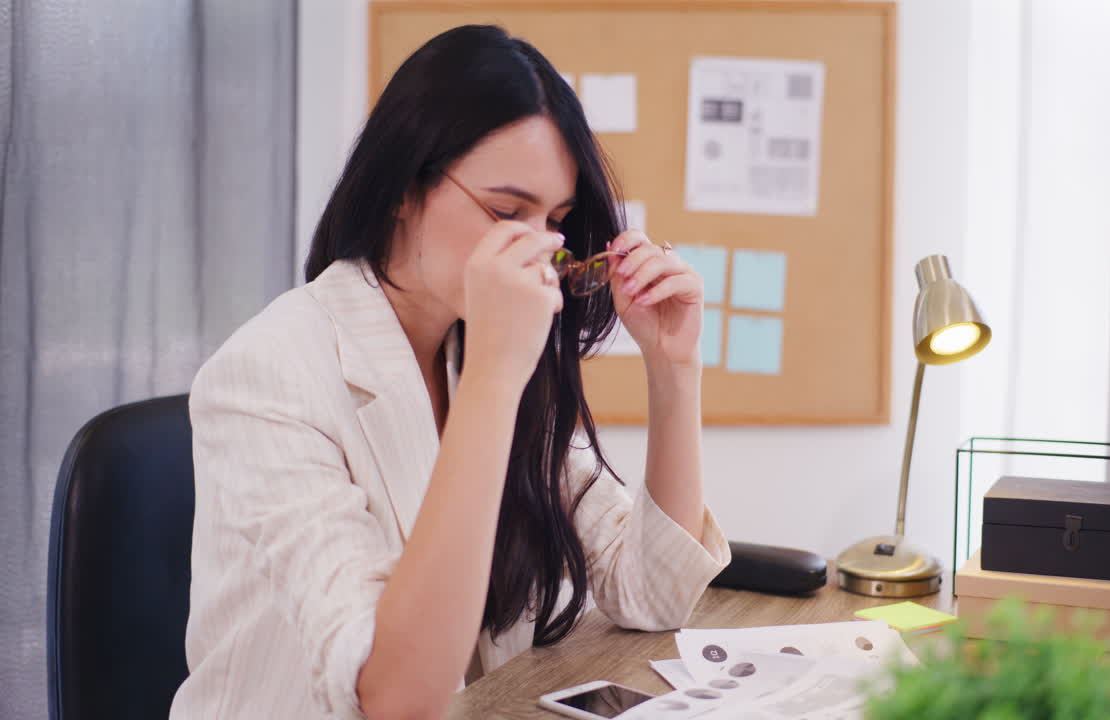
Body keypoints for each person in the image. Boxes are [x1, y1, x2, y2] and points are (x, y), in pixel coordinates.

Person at [169, 24, 730, 720]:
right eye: (504, 211)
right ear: (405, 188)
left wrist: (673, 370)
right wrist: (496, 378)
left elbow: (653, 592)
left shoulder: (485, 349)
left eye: (554, 219)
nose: (540, 249)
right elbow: (397, 697)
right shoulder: (267, 375)